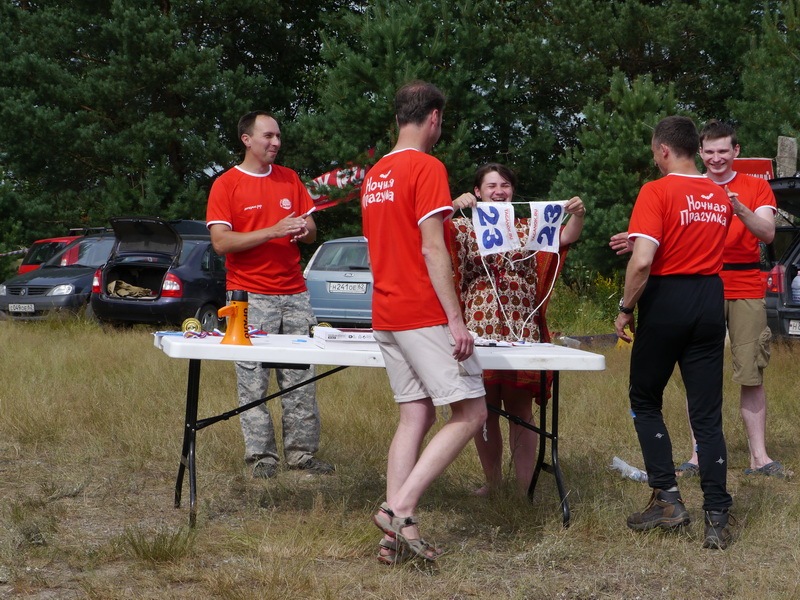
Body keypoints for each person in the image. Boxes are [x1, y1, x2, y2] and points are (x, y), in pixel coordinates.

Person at [610, 120, 788, 479]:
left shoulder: (754, 186)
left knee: (750, 371)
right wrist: (640, 238)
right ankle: (697, 456)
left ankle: (759, 456)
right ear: (699, 152)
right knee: (698, 378)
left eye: (724, 151)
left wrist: (737, 208)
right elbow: (671, 234)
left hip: (744, 284)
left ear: (736, 151)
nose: (717, 158)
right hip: (705, 287)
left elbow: (768, 233)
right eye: (710, 152)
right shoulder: (688, 186)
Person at [362, 81, 488, 564]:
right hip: (421, 310)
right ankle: (398, 509)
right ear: (433, 117)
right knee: (472, 412)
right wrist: (456, 320)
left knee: (415, 415)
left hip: (386, 311)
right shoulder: (426, 166)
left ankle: (394, 538)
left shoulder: (376, 174)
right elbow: (433, 248)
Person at [614, 115, 734, 549]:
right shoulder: (718, 194)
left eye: (654, 153)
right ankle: (717, 517)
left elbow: (644, 260)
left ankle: (667, 498)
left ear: (664, 150)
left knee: (645, 398)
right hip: (710, 298)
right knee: (706, 414)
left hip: (667, 298)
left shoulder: (657, 190)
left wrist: (626, 308)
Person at [206, 110, 334, 479]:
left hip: (295, 294)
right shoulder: (227, 184)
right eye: (268, 136)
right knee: (253, 381)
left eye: (278, 136)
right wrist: (273, 230)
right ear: (246, 139)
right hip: (248, 296)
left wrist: (302, 231)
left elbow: (311, 229)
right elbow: (220, 242)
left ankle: (301, 455)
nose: (276, 142)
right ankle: (262, 458)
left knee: (301, 379)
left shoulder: (290, 178)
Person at [448, 163, 585, 496]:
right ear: (478, 192)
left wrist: (578, 214)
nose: (499, 191)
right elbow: (428, 233)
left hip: (521, 330)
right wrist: (451, 205)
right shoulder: (462, 225)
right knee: (484, 411)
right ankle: (493, 482)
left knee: (520, 410)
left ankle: (525, 487)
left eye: (505, 185)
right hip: (478, 329)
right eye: (491, 185)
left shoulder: (528, 227)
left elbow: (566, 236)